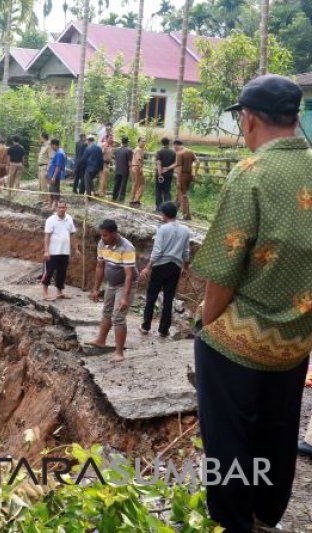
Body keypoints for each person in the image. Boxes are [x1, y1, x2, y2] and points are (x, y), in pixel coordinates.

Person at [191, 74, 312, 532]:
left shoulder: (251, 174)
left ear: (248, 119)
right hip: (297, 342)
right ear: (295, 118)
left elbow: (221, 275)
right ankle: (267, 516)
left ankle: (233, 521)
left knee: (228, 438)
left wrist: (207, 330)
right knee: (278, 433)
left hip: (243, 341)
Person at [138, 202, 190, 337]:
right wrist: (185, 267)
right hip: (175, 268)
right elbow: (186, 252)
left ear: (164, 214)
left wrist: (148, 267)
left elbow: (157, 251)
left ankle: (145, 326)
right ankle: (163, 330)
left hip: (160, 266)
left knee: (152, 296)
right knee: (168, 299)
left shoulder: (162, 229)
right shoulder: (185, 230)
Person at [89, 219, 137, 363]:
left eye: (105, 235)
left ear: (114, 234)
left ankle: (119, 352)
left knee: (118, 316)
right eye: (101, 235)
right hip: (112, 283)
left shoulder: (127, 247)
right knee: (107, 312)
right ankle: (100, 340)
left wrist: (124, 298)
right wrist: (96, 288)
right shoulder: (102, 244)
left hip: (126, 284)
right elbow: (100, 266)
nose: (102, 238)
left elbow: (129, 275)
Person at [42, 200, 81, 301]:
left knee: (62, 272)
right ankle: (45, 293)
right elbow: (47, 236)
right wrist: (46, 251)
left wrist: (76, 249)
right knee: (49, 272)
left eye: (63, 207)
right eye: (59, 207)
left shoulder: (69, 219)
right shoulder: (50, 220)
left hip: (65, 251)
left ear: (66, 208)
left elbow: (73, 235)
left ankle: (60, 292)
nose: (61, 209)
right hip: (53, 251)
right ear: (56, 208)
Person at [172, 139, 200, 220]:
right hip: (189, 175)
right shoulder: (190, 151)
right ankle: (174, 211)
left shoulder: (179, 153)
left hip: (182, 176)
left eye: (174, 146)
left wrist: (178, 180)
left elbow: (179, 168)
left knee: (183, 195)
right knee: (179, 193)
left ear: (176, 145)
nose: (174, 148)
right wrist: (196, 172)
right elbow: (197, 161)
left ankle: (186, 215)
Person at [154, 137, 176, 211]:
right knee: (167, 191)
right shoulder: (173, 152)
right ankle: (167, 209)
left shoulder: (159, 152)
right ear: (169, 143)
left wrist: (160, 174)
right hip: (169, 174)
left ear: (161, 143)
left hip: (160, 174)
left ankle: (159, 207)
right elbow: (176, 163)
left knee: (159, 191)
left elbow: (158, 163)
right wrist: (168, 168)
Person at [112, 136, 133, 202]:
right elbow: (130, 162)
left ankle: (114, 196)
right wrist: (131, 170)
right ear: (127, 142)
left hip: (117, 169)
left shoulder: (117, 149)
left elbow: (116, 159)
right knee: (123, 184)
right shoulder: (129, 150)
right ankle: (121, 198)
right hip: (125, 170)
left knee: (116, 183)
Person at [47, 139, 66, 209]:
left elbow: (58, 166)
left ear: (54, 145)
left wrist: (53, 177)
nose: (52, 148)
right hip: (52, 174)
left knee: (55, 191)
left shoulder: (59, 153)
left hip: (55, 175)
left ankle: (54, 207)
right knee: (51, 190)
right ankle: (51, 205)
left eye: (52, 146)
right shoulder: (60, 152)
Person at [129, 137, 146, 206]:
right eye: (142, 141)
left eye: (145, 141)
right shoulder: (138, 149)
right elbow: (139, 160)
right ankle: (136, 199)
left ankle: (133, 199)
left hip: (134, 166)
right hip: (136, 167)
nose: (144, 143)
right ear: (138, 142)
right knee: (142, 184)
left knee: (136, 184)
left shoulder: (139, 149)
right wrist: (141, 168)